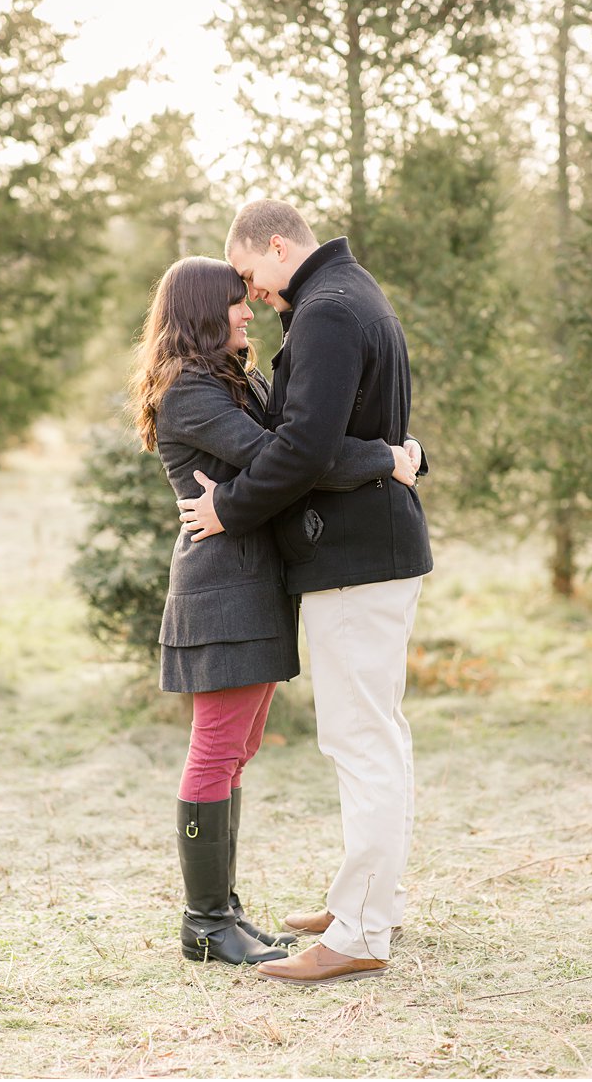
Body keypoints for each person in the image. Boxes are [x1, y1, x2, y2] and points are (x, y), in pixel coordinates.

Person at [129, 255, 419, 966]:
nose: (248, 311)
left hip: (255, 586)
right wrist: (387, 457)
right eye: (236, 302)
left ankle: (224, 913)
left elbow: (295, 444)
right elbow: (286, 456)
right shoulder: (189, 390)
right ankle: (205, 922)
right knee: (216, 750)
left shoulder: (229, 375)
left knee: (238, 751)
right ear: (202, 309)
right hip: (223, 589)